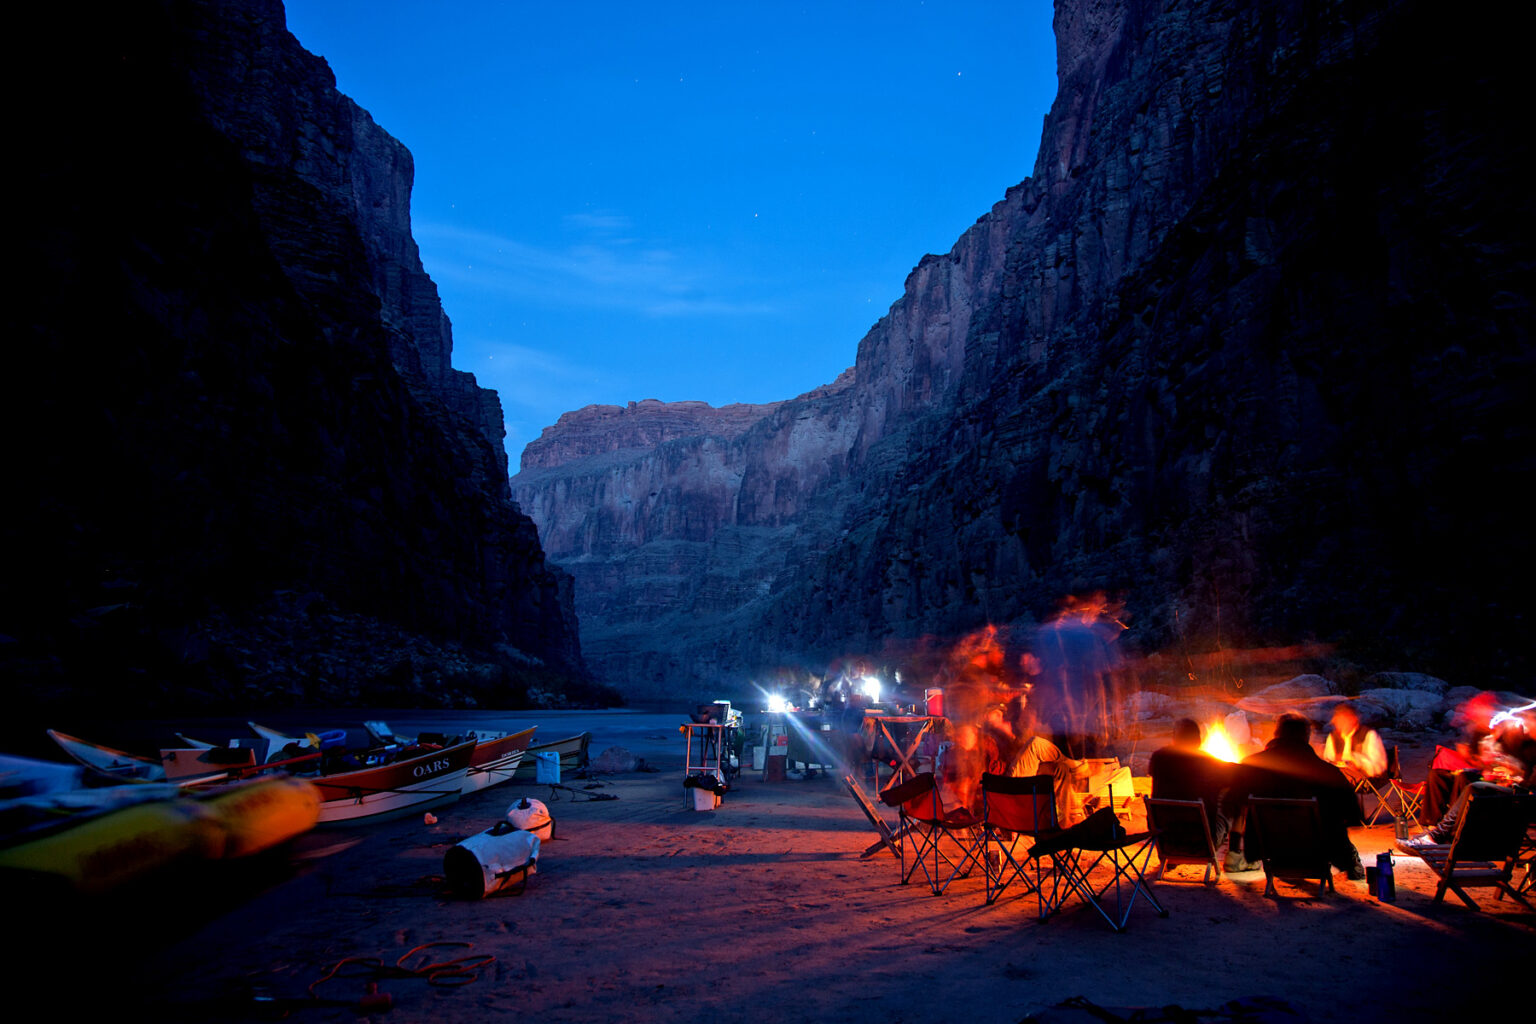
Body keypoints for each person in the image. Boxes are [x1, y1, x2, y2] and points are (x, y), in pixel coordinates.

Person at [1223, 713, 1365, 879]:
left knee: (1239, 803)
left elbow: (1229, 804)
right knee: (1333, 814)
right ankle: (1350, 861)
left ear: (1277, 735)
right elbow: (1354, 817)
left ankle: (1236, 856)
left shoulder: (1250, 766)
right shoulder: (1329, 774)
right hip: (1316, 851)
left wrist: (1235, 845)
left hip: (1270, 848)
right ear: (1306, 737)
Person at [1399, 708, 1535, 849]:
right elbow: (1501, 760)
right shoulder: (1519, 741)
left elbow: (1528, 782)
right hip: (1499, 781)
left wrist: (1515, 776)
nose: (1525, 724)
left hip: (1520, 797)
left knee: (1469, 783)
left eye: (1531, 721)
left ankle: (1447, 833)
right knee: (1438, 775)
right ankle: (1434, 827)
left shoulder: (1531, 748)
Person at [1149, 718, 1234, 854]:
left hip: (1165, 837)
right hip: (1202, 841)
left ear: (1174, 738)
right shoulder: (1207, 761)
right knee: (1233, 796)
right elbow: (1231, 777)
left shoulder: (1158, 758)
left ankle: (1172, 857)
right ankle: (1235, 855)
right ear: (1198, 740)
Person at [1322, 703, 1386, 783]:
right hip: (1339, 775)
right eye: (1337, 720)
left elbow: (1379, 766)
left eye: (1343, 720)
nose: (1338, 724)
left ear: (1353, 719)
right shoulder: (1333, 737)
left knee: (1336, 777)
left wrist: (1357, 762)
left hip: (1365, 778)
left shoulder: (1368, 734)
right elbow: (1327, 760)